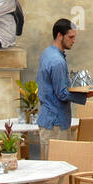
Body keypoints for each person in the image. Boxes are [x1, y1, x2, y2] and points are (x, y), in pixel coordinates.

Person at [35, 18, 79, 157]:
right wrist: (86, 95)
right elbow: (62, 94)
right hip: (56, 123)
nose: (73, 41)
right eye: (70, 37)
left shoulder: (47, 53)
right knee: (57, 169)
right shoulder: (57, 61)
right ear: (59, 35)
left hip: (48, 119)